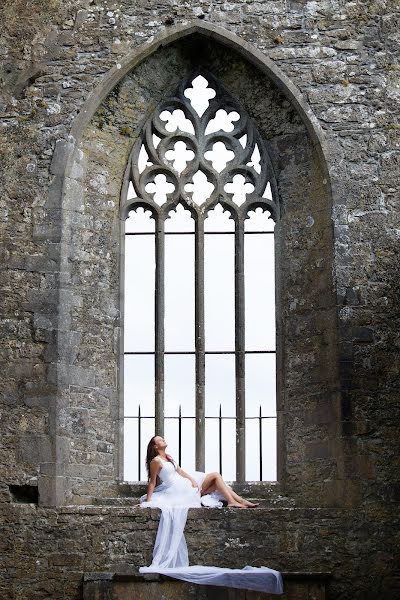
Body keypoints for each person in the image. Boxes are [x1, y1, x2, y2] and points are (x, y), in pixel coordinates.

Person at [141, 435, 259, 508]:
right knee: (215, 476)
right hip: (178, 489)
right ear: (155, 446)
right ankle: (233, 501)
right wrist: (148, 501)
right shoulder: (155, 461)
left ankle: (240, 501)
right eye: (160, 440)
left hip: (184, 483)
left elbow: (180, 471)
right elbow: (152, 482)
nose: (163, 440)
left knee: (217, 483)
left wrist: (192, 479)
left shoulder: (168, 457)